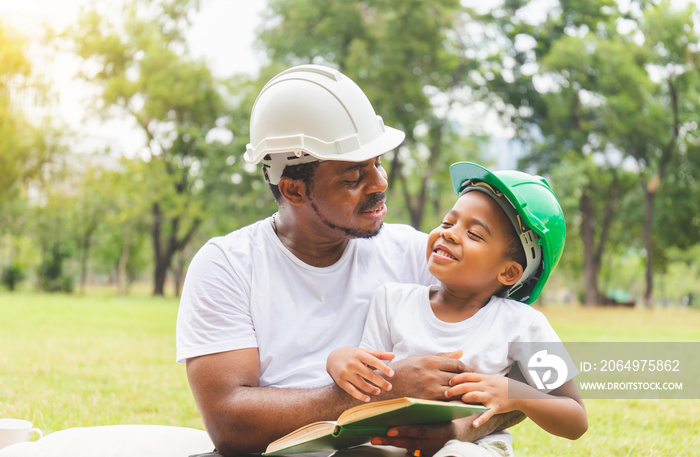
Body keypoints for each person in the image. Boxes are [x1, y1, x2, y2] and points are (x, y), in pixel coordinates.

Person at [176, 65, 524, 457]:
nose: (379, 183)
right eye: (353, 177)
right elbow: (229, 423)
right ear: (293, 190)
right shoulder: (227, 266)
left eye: (377, 163)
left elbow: (524, 377)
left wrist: (459, 428)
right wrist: (379, 393)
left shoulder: (415, 256)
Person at [327, 162, 588, 457]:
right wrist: (339, 361)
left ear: (509, 273)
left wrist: (516, 394)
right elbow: (368, 378)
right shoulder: (391, 300)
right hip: (393, 441)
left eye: (474, 234)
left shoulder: (522, 324)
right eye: (448, 223)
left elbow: (575, 418)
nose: (448, 234)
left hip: (475, 447)